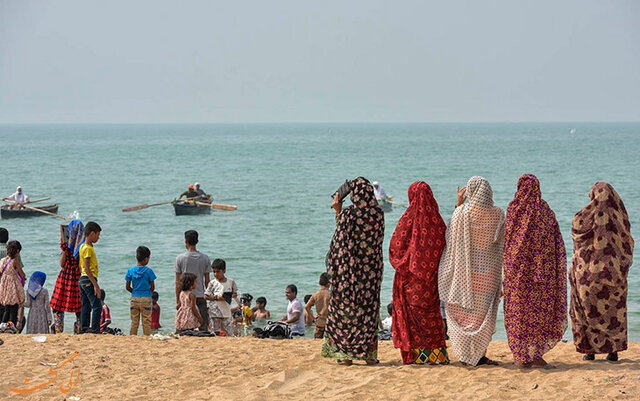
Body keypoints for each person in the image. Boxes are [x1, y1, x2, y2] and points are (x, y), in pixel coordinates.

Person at [438, 176, 504, 366]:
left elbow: (450, 236)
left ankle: (466, 355)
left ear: (471, 192)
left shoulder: (461, 213)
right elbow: (501, 243)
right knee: (483, 315)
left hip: (463, 275)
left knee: (464, 315)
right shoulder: (498, 214)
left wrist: (459, 203)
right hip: (489, 274)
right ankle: (480, 355)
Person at [503, 174, 567, 368]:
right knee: (539, 312)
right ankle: (536, 356)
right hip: (543, 274)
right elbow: (557, 244)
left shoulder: (514, 209)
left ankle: (522, 356)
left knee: (519, 313)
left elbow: (508, 242)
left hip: (518, 274)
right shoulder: (546, 211)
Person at [322, 177, 384, 365]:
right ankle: (369, 356)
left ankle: (346, 356)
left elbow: (340, 242)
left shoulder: (349, 214)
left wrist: (338, 211)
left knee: (346, 312)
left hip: (348, 275)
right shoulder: (378, 213)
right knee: (368, 311)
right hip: (371, 274)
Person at [569, 182, 634, 362]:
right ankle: (613, 352)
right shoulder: (621, 218)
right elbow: (626, 244)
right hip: (614, 274)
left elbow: (576, 233)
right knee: (613, 312)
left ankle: (589, 352)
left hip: (587, 274)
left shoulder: (583, 217)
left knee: (588, 310)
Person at [390, 181, 449, 365]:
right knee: (432, 315)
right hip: (431, 281)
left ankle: (415, 356)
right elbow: (445, 248)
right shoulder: (437, 222)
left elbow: (395, 250)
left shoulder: (406, 220)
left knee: (415, 318)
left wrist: (409, 267)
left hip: (411, 282)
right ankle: (436, 355)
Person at [174, 230, 211, 331]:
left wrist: (178, 300)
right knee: (202, 326)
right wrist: (209, 297)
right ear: (197, 241)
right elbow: (207, 281)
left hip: (185, 297)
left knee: (185, 325)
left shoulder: (180, 258)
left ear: (185, 241)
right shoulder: (205, 258)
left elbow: (178, 282)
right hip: (200, 296)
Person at [50, 221, 83, 334]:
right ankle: (79, 329)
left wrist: (64, 250)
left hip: (65, 276)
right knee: (79, 306)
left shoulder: (66, 246)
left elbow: (62, 264)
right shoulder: (82, 246)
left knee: (58, 304)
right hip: (77, 277)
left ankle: (59, 329)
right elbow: (80, 266)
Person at [125, 246, 157, 336]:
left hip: (134, 298)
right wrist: (147, 293)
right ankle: (147, 338)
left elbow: (127, 287)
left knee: (134, 322)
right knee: (146, 322)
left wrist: (135, 292)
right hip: (146, 298)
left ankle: (132, 338)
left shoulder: (130, 271)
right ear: (146, 259)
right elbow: (152, 287)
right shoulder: (149, 271)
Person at [204, 258, 239, 335]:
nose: (216, 274)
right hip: (214, 311)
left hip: (226, 310)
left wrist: (229, 296)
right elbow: (206, 296)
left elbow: (235, 293)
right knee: (215, 331)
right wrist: (216, 297)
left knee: (229, 331)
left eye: (218, 272)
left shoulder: (231, 282)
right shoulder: (212, 283)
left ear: (224, 271)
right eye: (214, 272)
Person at [79, 221, 102, 333]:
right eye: (98, 235)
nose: (98, 238)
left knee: (86, 305)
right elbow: (87, 268)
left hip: (83, 279)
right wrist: (95, 285)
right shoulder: (87, 248)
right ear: (92, 234)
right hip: (89, 278)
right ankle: (95, 329)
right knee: (97, 305)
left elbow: (81, 266)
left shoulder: (82, 246)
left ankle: (84, 327)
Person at [0, 241, 26, 325]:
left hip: (4, 286)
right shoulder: (15, 262)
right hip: (13, 287)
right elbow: (22, 274)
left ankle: (3, 325)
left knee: (6, 308)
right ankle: (11, 326)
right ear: (17, 251)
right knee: (14, 307)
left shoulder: (2, 260)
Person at [305, 272, 331, 339]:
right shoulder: (331, 294)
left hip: (319, 322)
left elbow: (307, 307)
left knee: (318, 339)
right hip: (330, 322)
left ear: (319, 282)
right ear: (329, 284)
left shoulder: (315, 295)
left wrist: (313, 318)